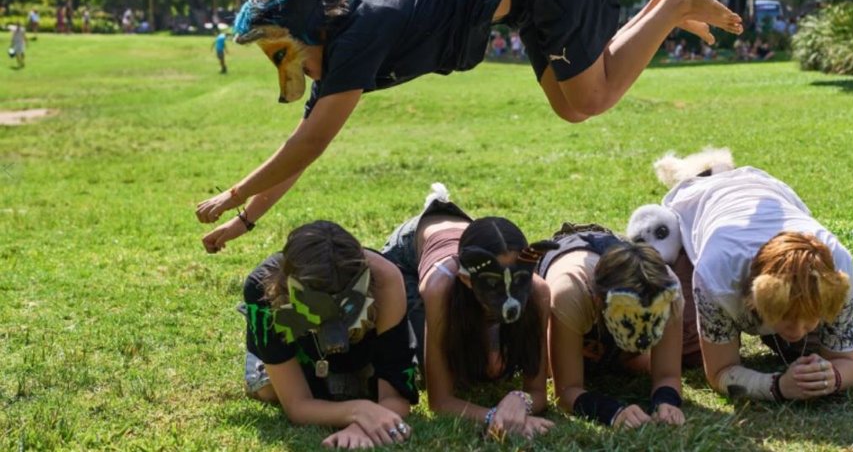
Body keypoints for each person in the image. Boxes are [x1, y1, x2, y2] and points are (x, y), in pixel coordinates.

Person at [194, 0, 742, 249]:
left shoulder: (356, 36)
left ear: (303, 34)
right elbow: (301, 148)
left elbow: (309, 144)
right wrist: (242, 221)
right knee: (574, 106)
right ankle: (665, 5)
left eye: (279, 53)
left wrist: (234, 193)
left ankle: (672, 7)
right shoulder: (341, 48)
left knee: (591, 99)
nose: (284, 68)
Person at [661, 166, 853, 402]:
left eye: (808, 320)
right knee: (688, 348)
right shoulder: (716, 273)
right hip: (699, 203)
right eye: (786, 316)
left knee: (807, 350)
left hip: (767, 190)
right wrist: (777, 387)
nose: (796, 330)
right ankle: (708, 171)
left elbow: (848, 362)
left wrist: (831, 377)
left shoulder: (838, 273)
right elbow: (719, 372)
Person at [380, 184, 555, 439]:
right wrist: (495, 417)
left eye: (517, 282)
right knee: (424, 358)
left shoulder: (538, 292)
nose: (510, 301)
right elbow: (439, 402)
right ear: (467, 280)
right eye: (494, 286)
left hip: (466, 234)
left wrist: (520, 400)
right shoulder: (439, 287)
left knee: (490, 365)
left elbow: (537, 390)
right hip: (410, 250)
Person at [242, 220, 418, 449]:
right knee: (267, 389)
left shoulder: (385, 278)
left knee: (360, 389)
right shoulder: (261, 286)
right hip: (299, 356)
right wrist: (360, 410)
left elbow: (396, 395)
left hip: (361, 356)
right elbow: (297, 405)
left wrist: (362, 426)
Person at [537, 223, 685, 429]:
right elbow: (566, 390)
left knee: (641, 363)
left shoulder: (668, 292)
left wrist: (667, 402)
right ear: (598, 300)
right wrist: (611, 412)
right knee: (545, 367)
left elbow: (668, 375)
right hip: (575, 291)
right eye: (628, 319)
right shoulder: (570, 291)